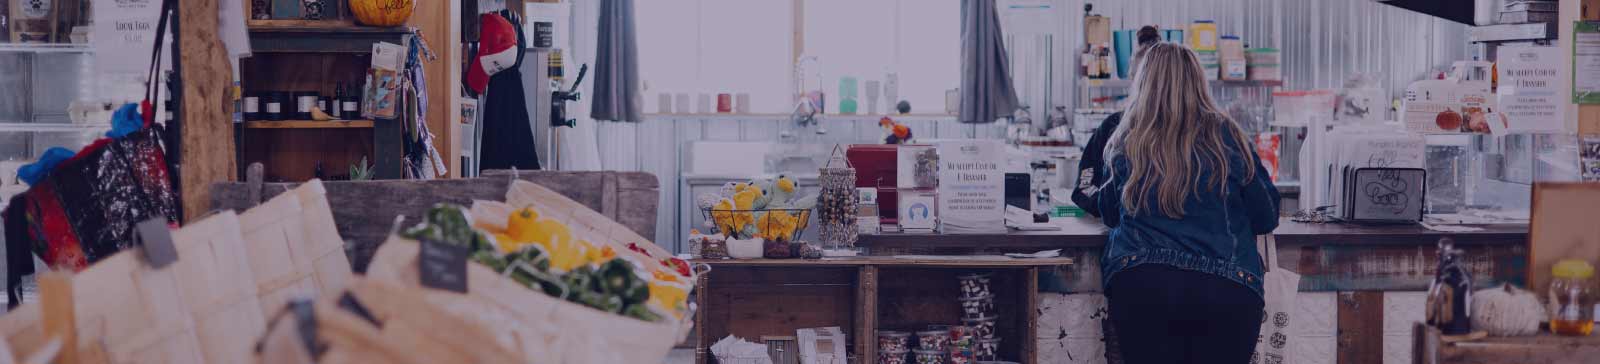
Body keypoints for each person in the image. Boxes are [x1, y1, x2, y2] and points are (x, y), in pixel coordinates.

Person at [1095, 42, 1281, 364]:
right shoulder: (1229, 135)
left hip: (1142, 285)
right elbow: (1266, 215)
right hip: (1225, 287)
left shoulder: (1128, 138)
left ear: (1143, 83)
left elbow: (1110, 211)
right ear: (1199, 81)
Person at [1071, 25, 1162, 217]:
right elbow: (1084, 187)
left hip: (1130, 242)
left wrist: (1107, 205)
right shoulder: (1114, 127)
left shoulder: (1118, 129)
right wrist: (1101, 203)